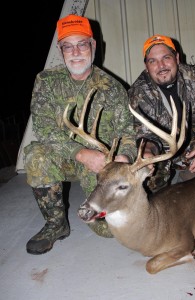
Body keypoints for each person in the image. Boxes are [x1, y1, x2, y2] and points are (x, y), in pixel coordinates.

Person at [24, 14, 137, 255]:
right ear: (61, 50)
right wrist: (80, 153)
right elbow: (43, 129)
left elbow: (127, 131)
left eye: (82, 44)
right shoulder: (46, 81)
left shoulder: (112, 88)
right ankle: (56, 224)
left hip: (98, 167)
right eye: (68, 46)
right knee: (36, 155)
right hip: (62, 157)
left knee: (106, 231)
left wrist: (123, 159)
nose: (76, 52)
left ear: (93, 46)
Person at [128, 34, 195, 192]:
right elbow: (145, 135)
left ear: (177, 58)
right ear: (146, 66)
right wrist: (148, 153)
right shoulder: (138, 93)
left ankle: (191, 176)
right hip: (161, 152)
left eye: (166, 57)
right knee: (146, 183)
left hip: (193, 146)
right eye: (153, 61)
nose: (161, 65)